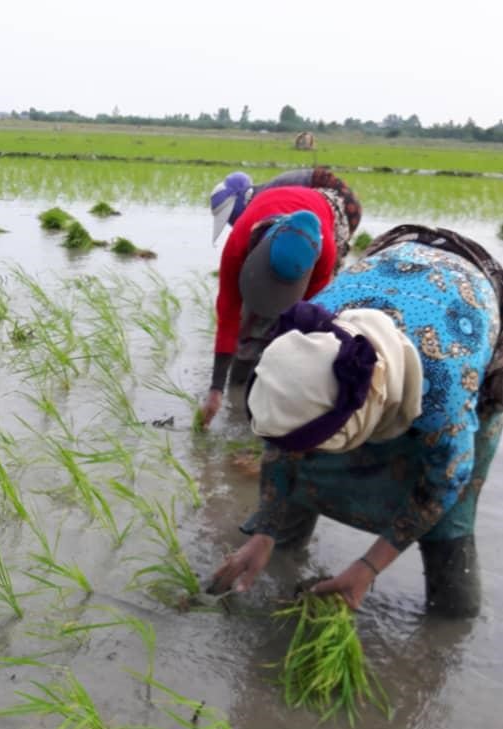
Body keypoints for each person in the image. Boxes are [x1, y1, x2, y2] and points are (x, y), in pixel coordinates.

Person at [206, 225, 503, 618]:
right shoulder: (311, 333)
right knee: (303, 457)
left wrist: (368, 567)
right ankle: (282, 541)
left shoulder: (444, 393)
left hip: (474, 304)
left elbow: (443, 484)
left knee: (450, 529)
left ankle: (450, 607)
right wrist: (265, 532)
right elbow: (281, 445)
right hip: (392, 265)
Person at [200, 167, 362, 428]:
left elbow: (311, 316)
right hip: (279, 210)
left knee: (296, 327)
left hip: (335, 209)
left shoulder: (324, 253)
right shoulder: (238, 243)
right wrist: (216, 388)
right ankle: (241, 377)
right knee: (248, 329)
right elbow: (228, 311)